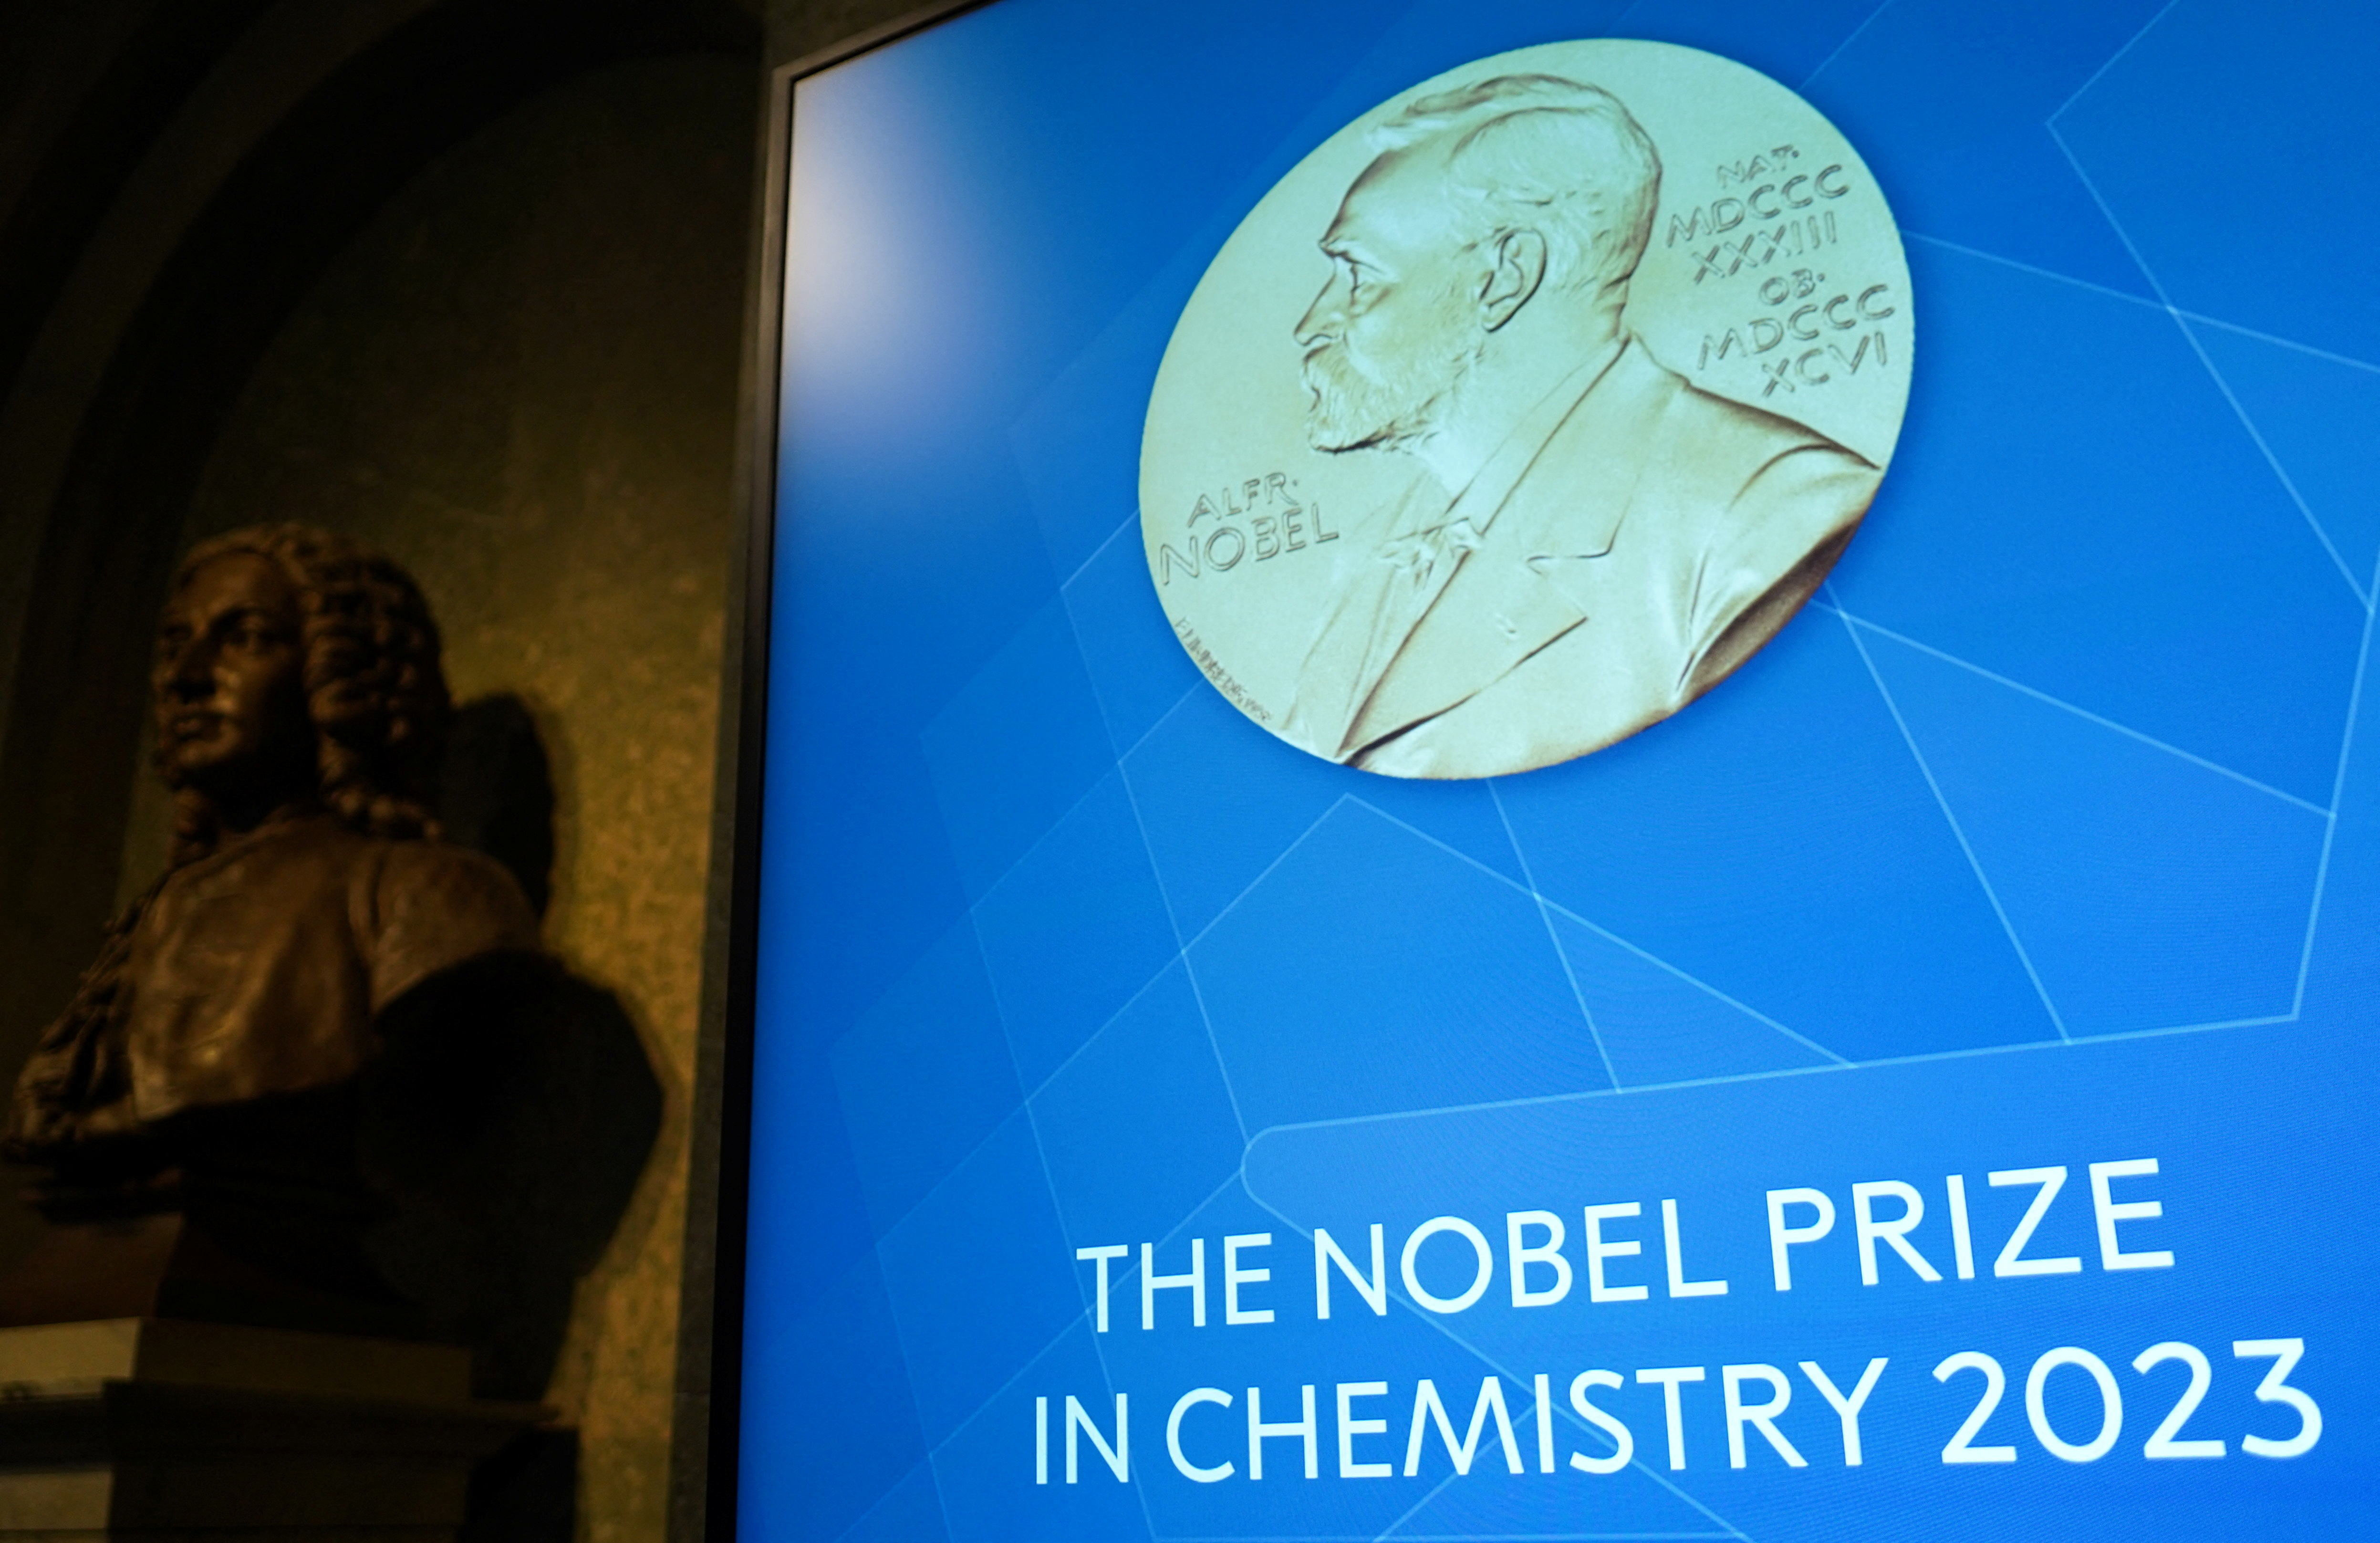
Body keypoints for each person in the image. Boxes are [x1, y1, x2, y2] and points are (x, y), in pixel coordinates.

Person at [1282, 74, 1881, 777]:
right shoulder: (1374, 552)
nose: (1308, 326)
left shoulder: (1777, 516)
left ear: (1504, 277)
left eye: (1357, 275)